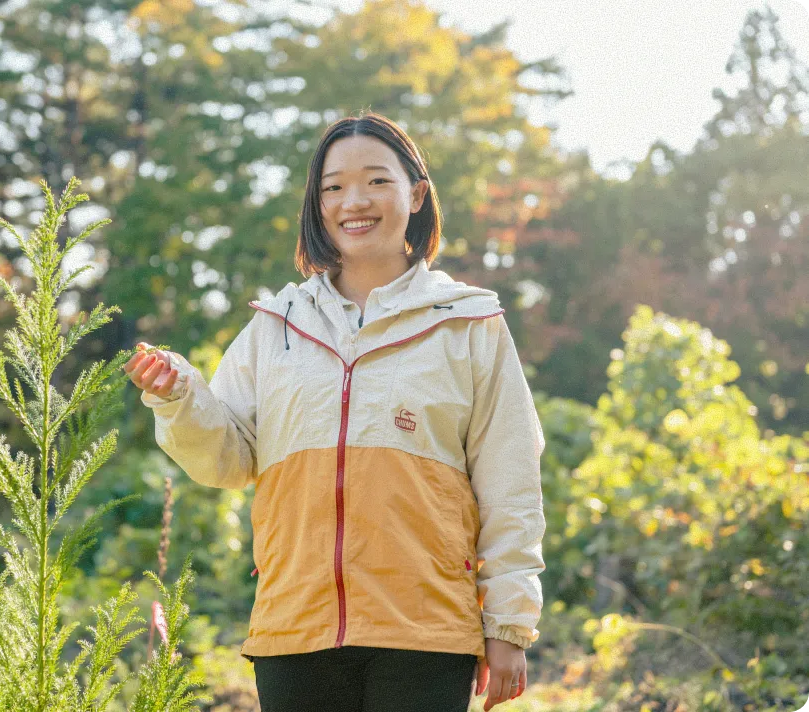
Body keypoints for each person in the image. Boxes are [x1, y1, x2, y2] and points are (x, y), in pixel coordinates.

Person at [123, 112, 546, 712]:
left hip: (426, 630)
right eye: (334, 187)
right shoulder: (276, 325)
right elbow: (229, 460)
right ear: (317, 205)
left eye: (377, 181)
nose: (355, 201)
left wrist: (508, 624)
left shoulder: (469, 323)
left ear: (416, 195)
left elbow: (511, 480)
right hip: (295, 627)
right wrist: (179, 395)